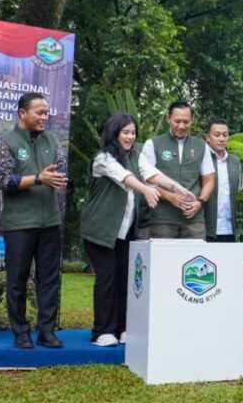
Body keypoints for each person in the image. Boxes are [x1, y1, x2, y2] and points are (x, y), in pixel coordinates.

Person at [81, 113, 195, 346]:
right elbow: (125, 177)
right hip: (100, 230)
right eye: (125, 132)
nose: (130, 137)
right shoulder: (103, 158)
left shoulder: (136, 154)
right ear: (114, 133)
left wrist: (176, 186)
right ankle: (102, 331)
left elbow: (150, 173)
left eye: (133, 132)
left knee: (126, 278)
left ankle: (123, 328)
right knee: (107, 277)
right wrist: (145, 189)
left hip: (125, 231)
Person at [0, 93, 67, 350]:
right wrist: (38, 178)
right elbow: (4, 181)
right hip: (20, 224)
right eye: (39, 112)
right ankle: (21, 332)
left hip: (50, 222)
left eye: (46, 113)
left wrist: (53, 178)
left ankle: (46, 331)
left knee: (49, 279)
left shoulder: (52, 140)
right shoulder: (5, 142)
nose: (44, 117)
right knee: (17, 279)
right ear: (22, 113)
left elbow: (61, 171)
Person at [139, 101, 215, 239]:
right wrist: (169, 197)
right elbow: (145, 180)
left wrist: (200, 202)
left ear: (192, 120)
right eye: (177, 121)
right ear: (168, 118)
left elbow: (209, 180)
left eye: (186, 122)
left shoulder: (201, 146)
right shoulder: (153, 143)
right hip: (162, 218)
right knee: (163, 260)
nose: (181, 126)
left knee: (195, 259)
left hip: (194, 221)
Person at [204, 119, 242, 242]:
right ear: (208, 137)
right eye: (217, 135)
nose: (221, 139)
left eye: (225, 135)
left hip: (229, 227)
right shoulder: (201, 158)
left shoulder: (235, 161)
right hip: (205, 227)